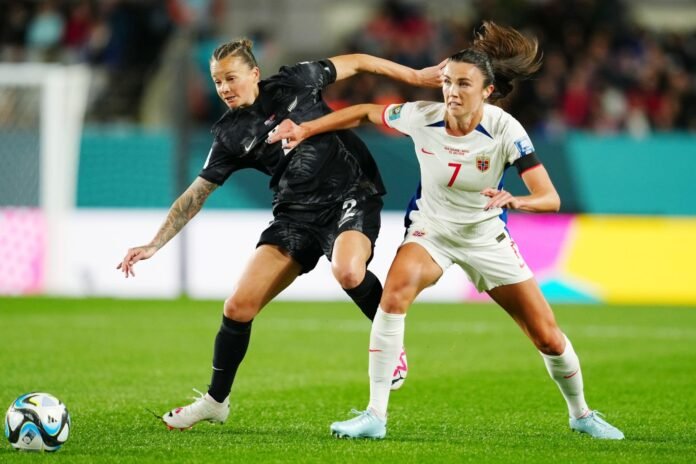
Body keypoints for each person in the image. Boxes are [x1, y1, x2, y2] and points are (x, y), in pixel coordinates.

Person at [268, 21, 625, 440]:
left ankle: (581, 414)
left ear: (487, 90)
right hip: (432, 230)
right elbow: (366, 113)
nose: (452, 92)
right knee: (394, 293)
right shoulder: (422, 116)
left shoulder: (505, 130)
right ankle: (374, 416)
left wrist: (516, 201)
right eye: (448, 82)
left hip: (484, 236)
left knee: (547, 337)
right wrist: (305, 128)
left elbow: (549, 198)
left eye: (464, 85)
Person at [117, 39, 443, 430]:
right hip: (293, 216)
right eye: (217, 81)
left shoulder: (294, 82)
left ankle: (391, 348)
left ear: (254, 74)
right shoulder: (229, 135)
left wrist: (415, 76)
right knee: (237, 306)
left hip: (351, 191)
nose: (223, 88)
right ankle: (215, 401)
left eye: (231, 78)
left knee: (348, 272)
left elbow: (357, 62)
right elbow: (196, 193)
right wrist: (154, 243)